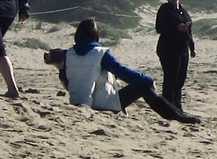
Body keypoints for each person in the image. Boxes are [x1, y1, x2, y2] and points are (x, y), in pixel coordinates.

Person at [43, 19, 197, 123]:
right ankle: (176, 116)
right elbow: (124, 73)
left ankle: (177, 114)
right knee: (144, 86)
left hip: (77, 103)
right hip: (102, 105)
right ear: (95, 36)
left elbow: (65, 78)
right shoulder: (100, 53)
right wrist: (148, 80)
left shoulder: (68, 54)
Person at [155, 0, 195, 113]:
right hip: (168, 48)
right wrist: (176, 28)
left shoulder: (183, 10)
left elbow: (189, 30)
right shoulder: (165, 9)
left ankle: (177, 106)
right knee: (171, 78)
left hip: (183, 48)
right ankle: (167, 106)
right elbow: (159, 28)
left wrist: (192, 46)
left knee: (180, 79)